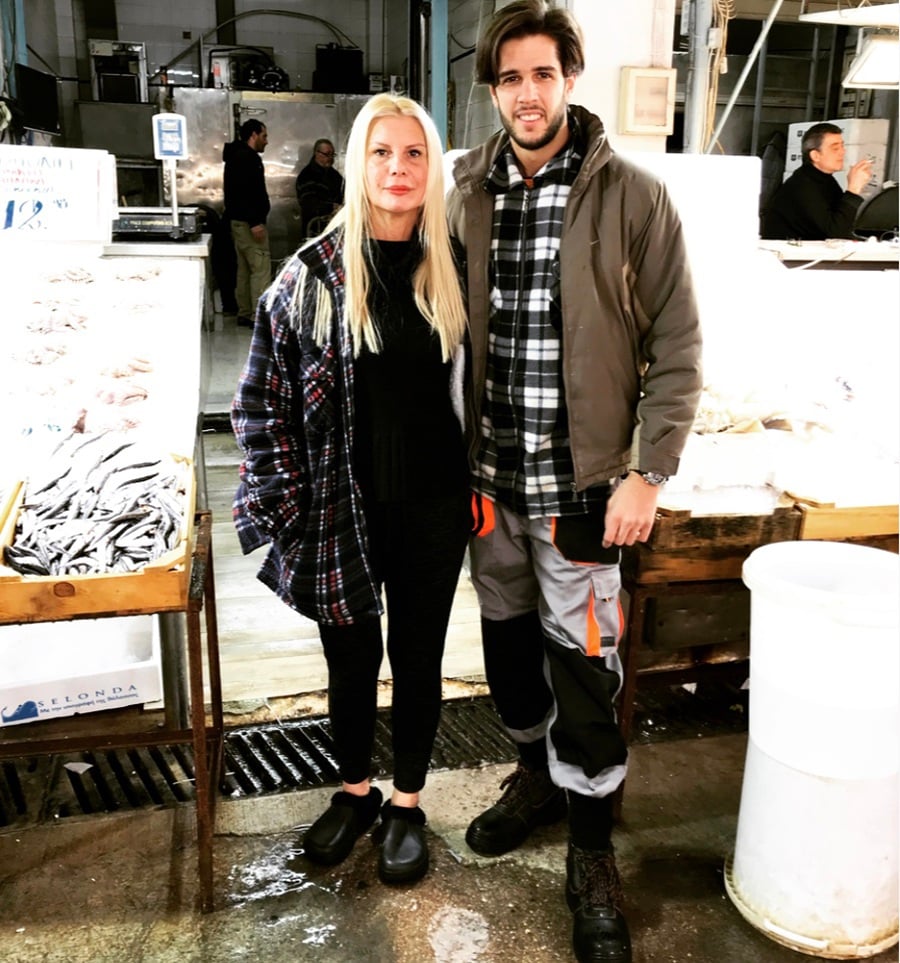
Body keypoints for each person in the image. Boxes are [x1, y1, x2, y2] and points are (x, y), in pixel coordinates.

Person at [446, 3, 702, 961]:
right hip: (490, 486)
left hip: (584, 491)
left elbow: (678, 341)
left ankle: (591, 849)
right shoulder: (465, 192)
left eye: (543, 74)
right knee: (509, 654)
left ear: (570, 79)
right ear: (493, 89)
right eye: (510, 77)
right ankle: (535, 777)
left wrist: (649, 470)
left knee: (586, 671)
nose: (527, 93)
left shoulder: (634, 197)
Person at [231, 94, 469, 886]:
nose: (398, 169)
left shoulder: (455, 267)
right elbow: (258, 400)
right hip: (343, 506)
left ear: (431, 168)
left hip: (436, 505)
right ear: (359, 164)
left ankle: (407, 801)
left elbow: (480, 393)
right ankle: (355, 789)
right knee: (350, 657)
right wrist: (287, 504)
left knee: (419, 657)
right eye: (381, 152)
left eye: (414, 153)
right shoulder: (313, 275)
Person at [761, 122, 873, 240]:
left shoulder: (825, 180)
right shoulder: (802, 185)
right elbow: (835, 233)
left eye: (842, 146)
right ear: (815, 156)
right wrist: (853, 189)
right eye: (835, 148)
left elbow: (843, 223)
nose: (842, 152)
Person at [223, 119, 271, 327]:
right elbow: (247, 193)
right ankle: (258, 315)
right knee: (260, 268)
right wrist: (255, 222)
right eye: (264, 136)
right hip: (250, 224)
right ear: (253, 135)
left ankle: (244, 311)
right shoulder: (248, 158)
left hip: (237, 222)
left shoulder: (235, 156)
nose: (266, 141)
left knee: (244, 269)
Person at [295, 137, 345, 237]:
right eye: (327, 154)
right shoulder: (306, 176)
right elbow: (308, 203)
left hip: (333, 229)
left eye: (332, 155)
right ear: (316, 153)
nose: (330, 158)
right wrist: (331, 207)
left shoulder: (334, 175)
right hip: (315, 230)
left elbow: (345, 191)